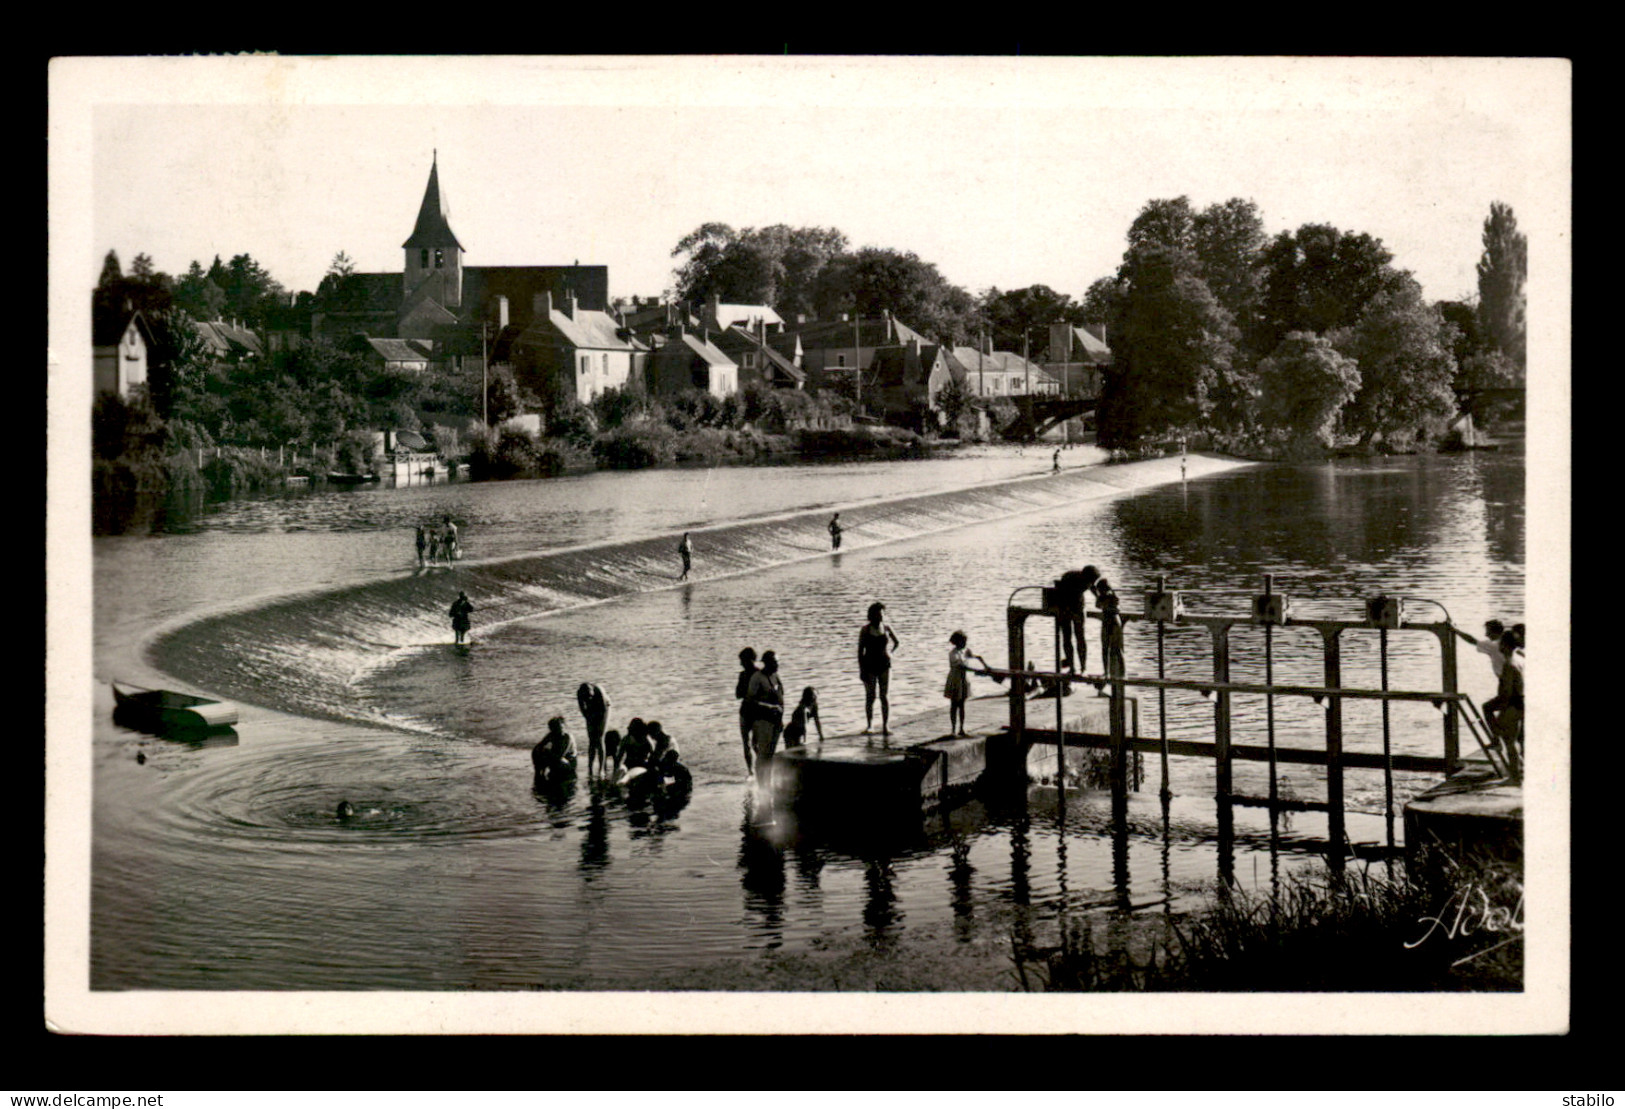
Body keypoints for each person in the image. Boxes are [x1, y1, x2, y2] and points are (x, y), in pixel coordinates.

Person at [858, 602, 901, 735]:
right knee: (870, 696)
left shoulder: (887, 628)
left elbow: (897, 642)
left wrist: (891, 653)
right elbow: (860, 651)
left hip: (885, 665)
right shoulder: (865, 630)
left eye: (882, 614)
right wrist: (862, 670)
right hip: (869, 665)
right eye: (878, 614)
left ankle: (885, 726)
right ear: (872, 615)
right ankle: (870, 726)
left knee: (884, 696)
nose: (881, 616)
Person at [1482, 630, 1525, 755]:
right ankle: (1519, 766)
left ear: (1505, 645)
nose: (1499, 646)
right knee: (1516, 739)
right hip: (1521, 700)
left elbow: (1506, 692)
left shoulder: (1509, 664)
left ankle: (1496, 740)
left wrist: (1503, 714)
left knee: (1509, 742)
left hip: (1514, 703)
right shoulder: (1520, 658)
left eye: (1501, 644)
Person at [944, 631, 994, 737]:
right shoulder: (953, 654)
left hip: (963, 679)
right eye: (963, 641)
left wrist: (986, 666)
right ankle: (953, 730)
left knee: (962, 704)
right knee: (954, 705)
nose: (965, 643)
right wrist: (977, 670)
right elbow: (962, 666)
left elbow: (978, 657)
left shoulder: (965, 651)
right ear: (957, 642)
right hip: (955, 679)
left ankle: (961, 728)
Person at [1054, 564, 1101, 674]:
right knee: (1067, 637)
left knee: (1080, 637)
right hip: (1065, 607)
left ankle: (1083, 667)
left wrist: (1099, 598)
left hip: (1077, 607)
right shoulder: (1071, 579)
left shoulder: (1087, 580)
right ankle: (1072, 667)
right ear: (1085, 578)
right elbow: (1061, 593)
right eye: (1091, 581)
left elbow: (1093, 588)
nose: (1092, 584)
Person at [747, 650, 785, 781]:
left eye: (778, 662)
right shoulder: (757, 678)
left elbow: (781, 698)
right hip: (762, 721)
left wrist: (781, 721)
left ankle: (768, 781)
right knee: (763, 754)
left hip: (775, 721)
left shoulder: (776, 676)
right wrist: (770, 707)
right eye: (775, 662)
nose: (778, 664)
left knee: (771, 754)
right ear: (767, 663)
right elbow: (750, 702)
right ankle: (761, 784)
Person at [576, 683, 612, 777]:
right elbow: (583, 710)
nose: (589, 698)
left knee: (600, 738)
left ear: (592, 691)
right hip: (591, 709)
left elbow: (602, 712)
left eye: (590, 696)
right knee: (591, 739)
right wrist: (589, 720)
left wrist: (597, 726)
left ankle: (601, 769)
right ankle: (590, 767)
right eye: (587, 697)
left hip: (604, 707)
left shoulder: (599, 692)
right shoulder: (579, 694)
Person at [735, 648, 759, 774]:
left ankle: (760, 768)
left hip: (757, 713)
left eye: (742, 661)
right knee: (747, 743)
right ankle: (751, 771)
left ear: (749, 660)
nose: (740, 664)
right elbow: (737, 694)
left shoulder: (760, 675)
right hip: (745, 712)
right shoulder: (742, 675)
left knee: (755, 744)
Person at [532, 716, 577, 784]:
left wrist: (547, 752)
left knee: (552, 757)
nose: (558, 730)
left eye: (560, 728)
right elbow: (539, 746)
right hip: (555, 758)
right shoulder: (552, 734)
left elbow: (560, 755)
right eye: (555, 728)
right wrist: (537, 758)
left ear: (563, 727)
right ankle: (539, 776)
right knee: (540, 754)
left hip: (568, 762)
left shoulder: (567, 737)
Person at [1095, 577, 1125, 677]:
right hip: (1106, 621)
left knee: (1117, 649)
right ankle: (1106, 672)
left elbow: (1115, 605)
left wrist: (1105, 598)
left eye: (1101, 590)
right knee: (1104, 648)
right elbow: (1097, 605)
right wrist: (1099, 597)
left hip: (1114, 621)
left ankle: (1123, 673)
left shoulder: (1113, 597)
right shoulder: (1102, 597)